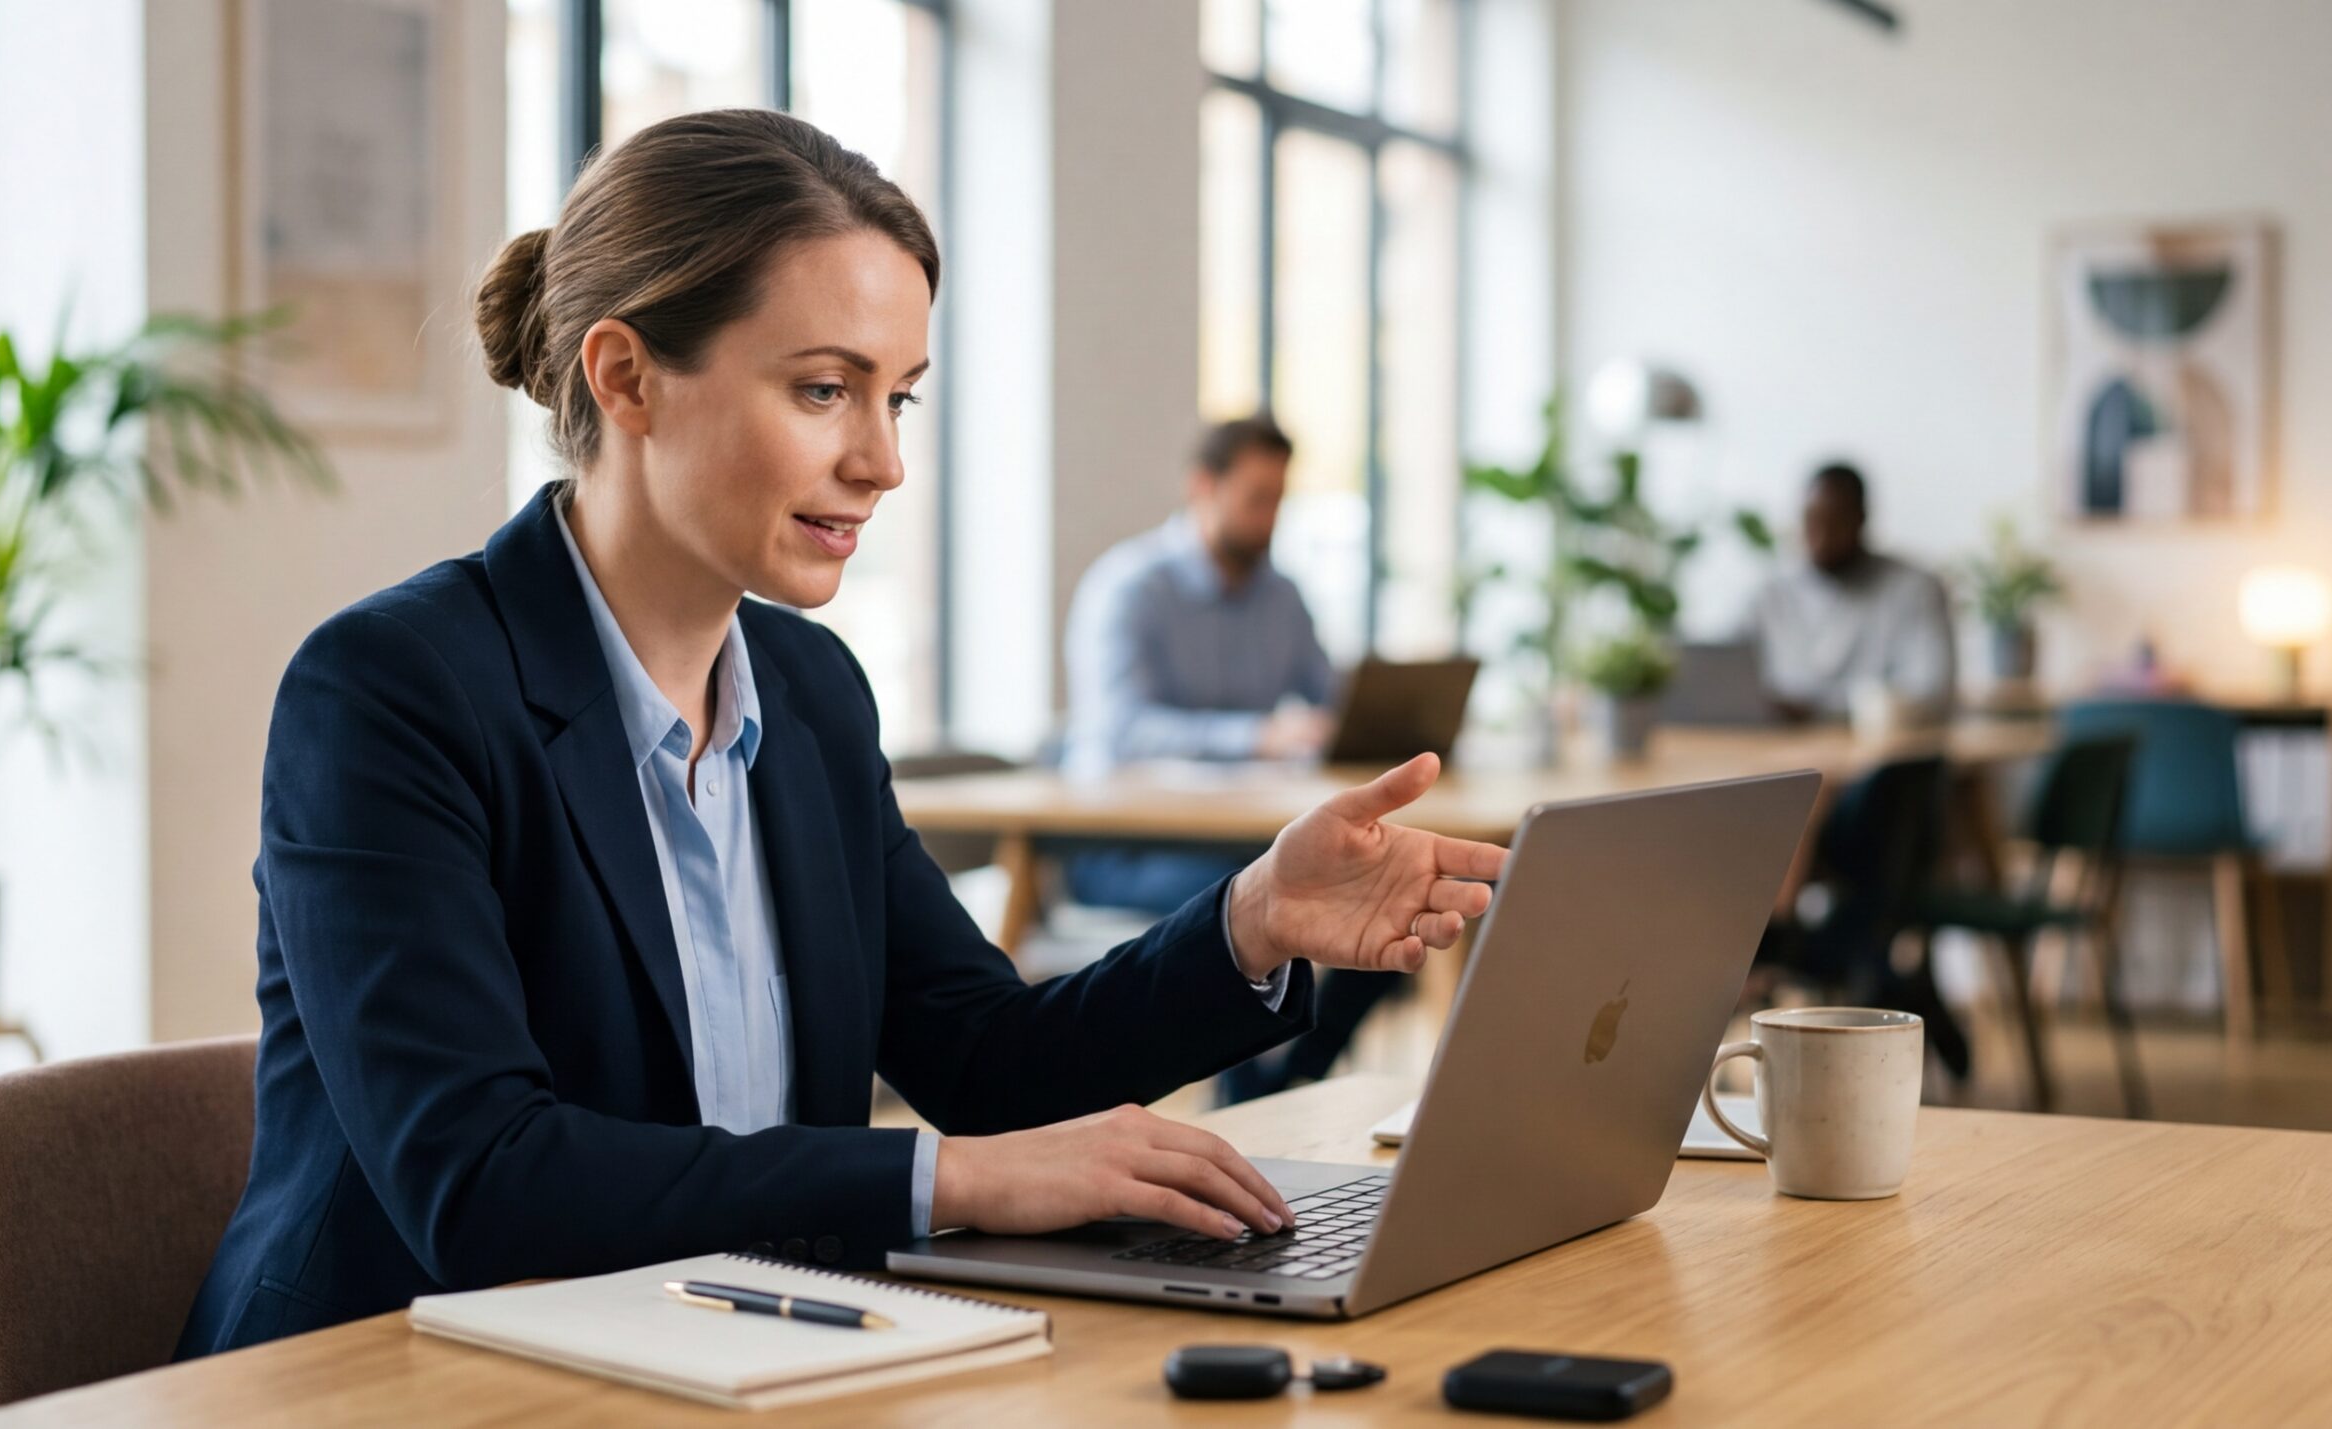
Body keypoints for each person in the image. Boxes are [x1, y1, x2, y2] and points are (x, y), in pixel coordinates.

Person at [174, 110, 1506, 1359]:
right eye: (824, 391)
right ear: (626, 377)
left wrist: (1252, 921)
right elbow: (480, 1179)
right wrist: (951, 1179)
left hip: (728, 1346)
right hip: (398, 1370)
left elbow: (985, 1061)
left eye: (898, 397)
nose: (882, 462)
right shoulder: (390, 691)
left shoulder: (808, 691)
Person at [1057, 414, 1335, 916]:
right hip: (1126, 843)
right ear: (1204, 486)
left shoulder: (1281, 596)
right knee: (1264, 898)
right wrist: (1259, 737)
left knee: (1369, 881)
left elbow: (1331, 696)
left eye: (1279, 501)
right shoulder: (1130, 588)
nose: (1270, 518)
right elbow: (1122, 731)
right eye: (1257, 499)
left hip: (1240, 833)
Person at [1749, 462, 1956, 723]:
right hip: (1777, 744)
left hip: (1885, 746)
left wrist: (1819, 711)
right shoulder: (1771, 594)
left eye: (1835, 523)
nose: (1821, 538)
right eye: (1812, 521)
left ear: (1861, 520)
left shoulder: (1915, 588)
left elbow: (1930, 690)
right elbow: (1725, 674)